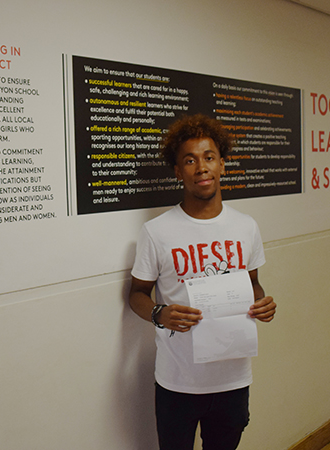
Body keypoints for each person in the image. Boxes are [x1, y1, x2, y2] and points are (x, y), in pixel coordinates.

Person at [128, 114, 276, 450]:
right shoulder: (157, 231)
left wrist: (262, 302)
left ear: (222, 164)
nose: (201, 167)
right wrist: (159, 313)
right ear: (178, 171)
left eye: (209, 157)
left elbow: (253, 283)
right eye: (190, 160)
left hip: (233, 378)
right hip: (178, 381)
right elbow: (137, 293)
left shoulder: (246, 226)